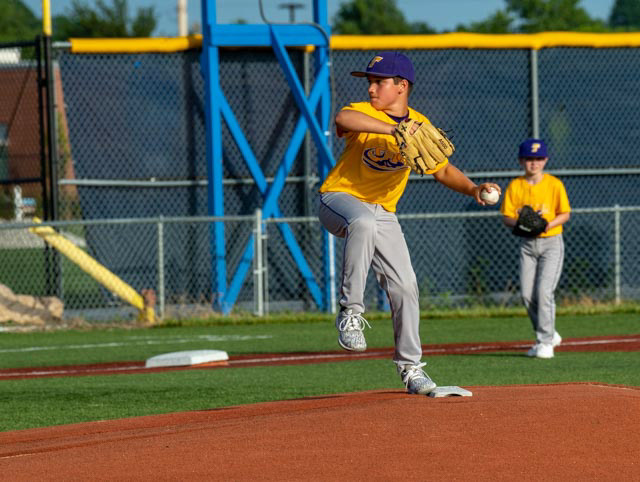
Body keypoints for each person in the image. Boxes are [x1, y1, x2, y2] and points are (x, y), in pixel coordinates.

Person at [317, 51, 500, 394]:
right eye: (370, 82)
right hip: (338, 199)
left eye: (379, 81)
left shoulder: (419, 125)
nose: (371, 88)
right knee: (363, 222)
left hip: (383, 211)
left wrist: (473, 188)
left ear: (401, 86)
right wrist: (394, 128)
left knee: (405, 286)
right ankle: (350, 313)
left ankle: (411, 369)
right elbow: (343, 118)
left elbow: (442, 169)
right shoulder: (364, 111)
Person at [500, 138, 571, 359]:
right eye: (529, 158)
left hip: (551, 243)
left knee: (544, 292)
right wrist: (522, 224)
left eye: (539, 158)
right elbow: (506, 217)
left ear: (545, 160)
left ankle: (545, 341)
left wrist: (547, 224)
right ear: (521, 161)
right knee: (527, 294)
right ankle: (549, 333)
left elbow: (565, 214)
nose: (534, 162)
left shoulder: (554, 184)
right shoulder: (515, 186)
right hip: (528, 245)